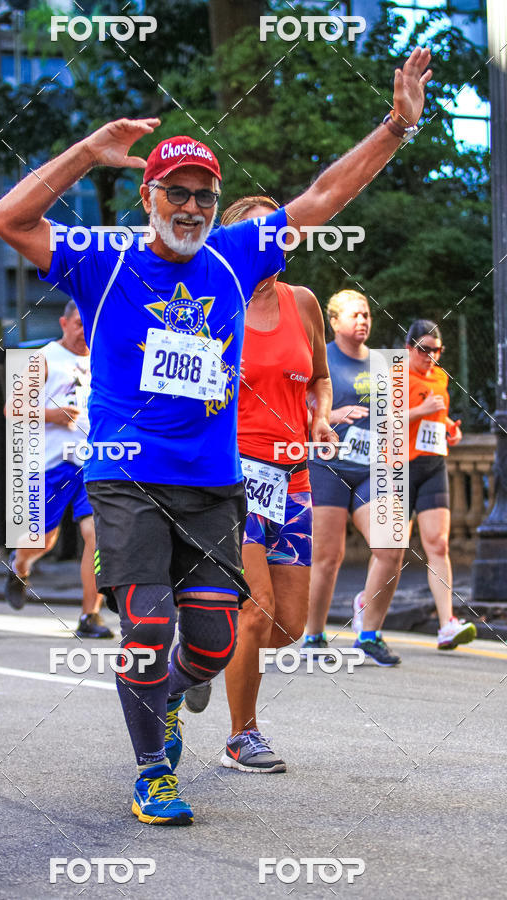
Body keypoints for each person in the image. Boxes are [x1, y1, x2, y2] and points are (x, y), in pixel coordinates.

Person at [0, 45, 432, 826]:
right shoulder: (104, 257)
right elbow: (7, 219)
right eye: (176, 192)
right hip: (125, 477)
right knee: (147, 626)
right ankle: (153, 772)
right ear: (149, 196)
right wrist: (89, 151)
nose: (191, 206)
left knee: (214, 642)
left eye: (204, 194)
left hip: (211, 483)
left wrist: (396, 125)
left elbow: (323, 196)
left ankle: (175, 688)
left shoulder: (234, 254)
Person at [217, 195, 333, 773]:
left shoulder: (303, 303)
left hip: (292, 479)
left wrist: (320, 416)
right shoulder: (209, 302)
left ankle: (200, 654)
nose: (271, 243)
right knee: (255, 609)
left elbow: (320, 379)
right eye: (257, 234)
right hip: (231, 476)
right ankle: (243, 735)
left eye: (278, 234)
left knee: (288, 623)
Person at [301, 290, 404, 666]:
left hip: (372, 469)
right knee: (328, 557)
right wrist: (330, 416)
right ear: (333, 322)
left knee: (391, 548)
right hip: (327, 466)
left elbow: (393, 418)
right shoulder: (319, 358)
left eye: (367, 315)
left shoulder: (383, 364)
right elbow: (295, 408)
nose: (363, 320)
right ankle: (313, 635)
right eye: (354, 315)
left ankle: (369, 633)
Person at [4, 301, 114, 639]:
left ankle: (89, 615)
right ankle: (20, 565)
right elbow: (11, 408)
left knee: (95, 534)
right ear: (64, 323)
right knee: (42, 541)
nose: (84, 330)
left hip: (91, 463)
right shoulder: (45, 357)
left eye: (89, 323)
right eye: (78, 323)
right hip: (49, 463)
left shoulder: (104, 357)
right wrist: (52, 415)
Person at [406, 319, 476, 650]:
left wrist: (449, 426)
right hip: (399, 466)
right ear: (408, 348)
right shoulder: (394, 375)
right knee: (391, 551)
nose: (431, 356)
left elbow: (437, 414)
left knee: (438, 544)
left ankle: (447, 624)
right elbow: (383, 421)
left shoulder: (440, 376)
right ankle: (365, 604)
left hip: (433, 464)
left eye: (437, 350)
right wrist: (420, 409)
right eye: (424, 350)